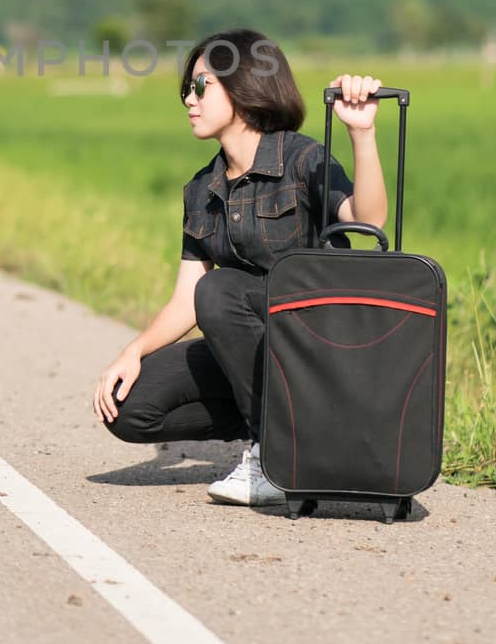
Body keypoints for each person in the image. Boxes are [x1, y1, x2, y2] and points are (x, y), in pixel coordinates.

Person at [92, 29, 388, 506]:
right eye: (186, 89)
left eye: (201, 86)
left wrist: (362, 132)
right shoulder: (201, 189)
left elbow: (368, 219)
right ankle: (291, 428)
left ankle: (274, 455)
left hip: (314, 345)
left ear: (246, 86)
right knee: (127, 409)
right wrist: (133, 351)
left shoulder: (302, 159)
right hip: (253, 349)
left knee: (221, 289)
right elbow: (189, 295)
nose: (189, 99)